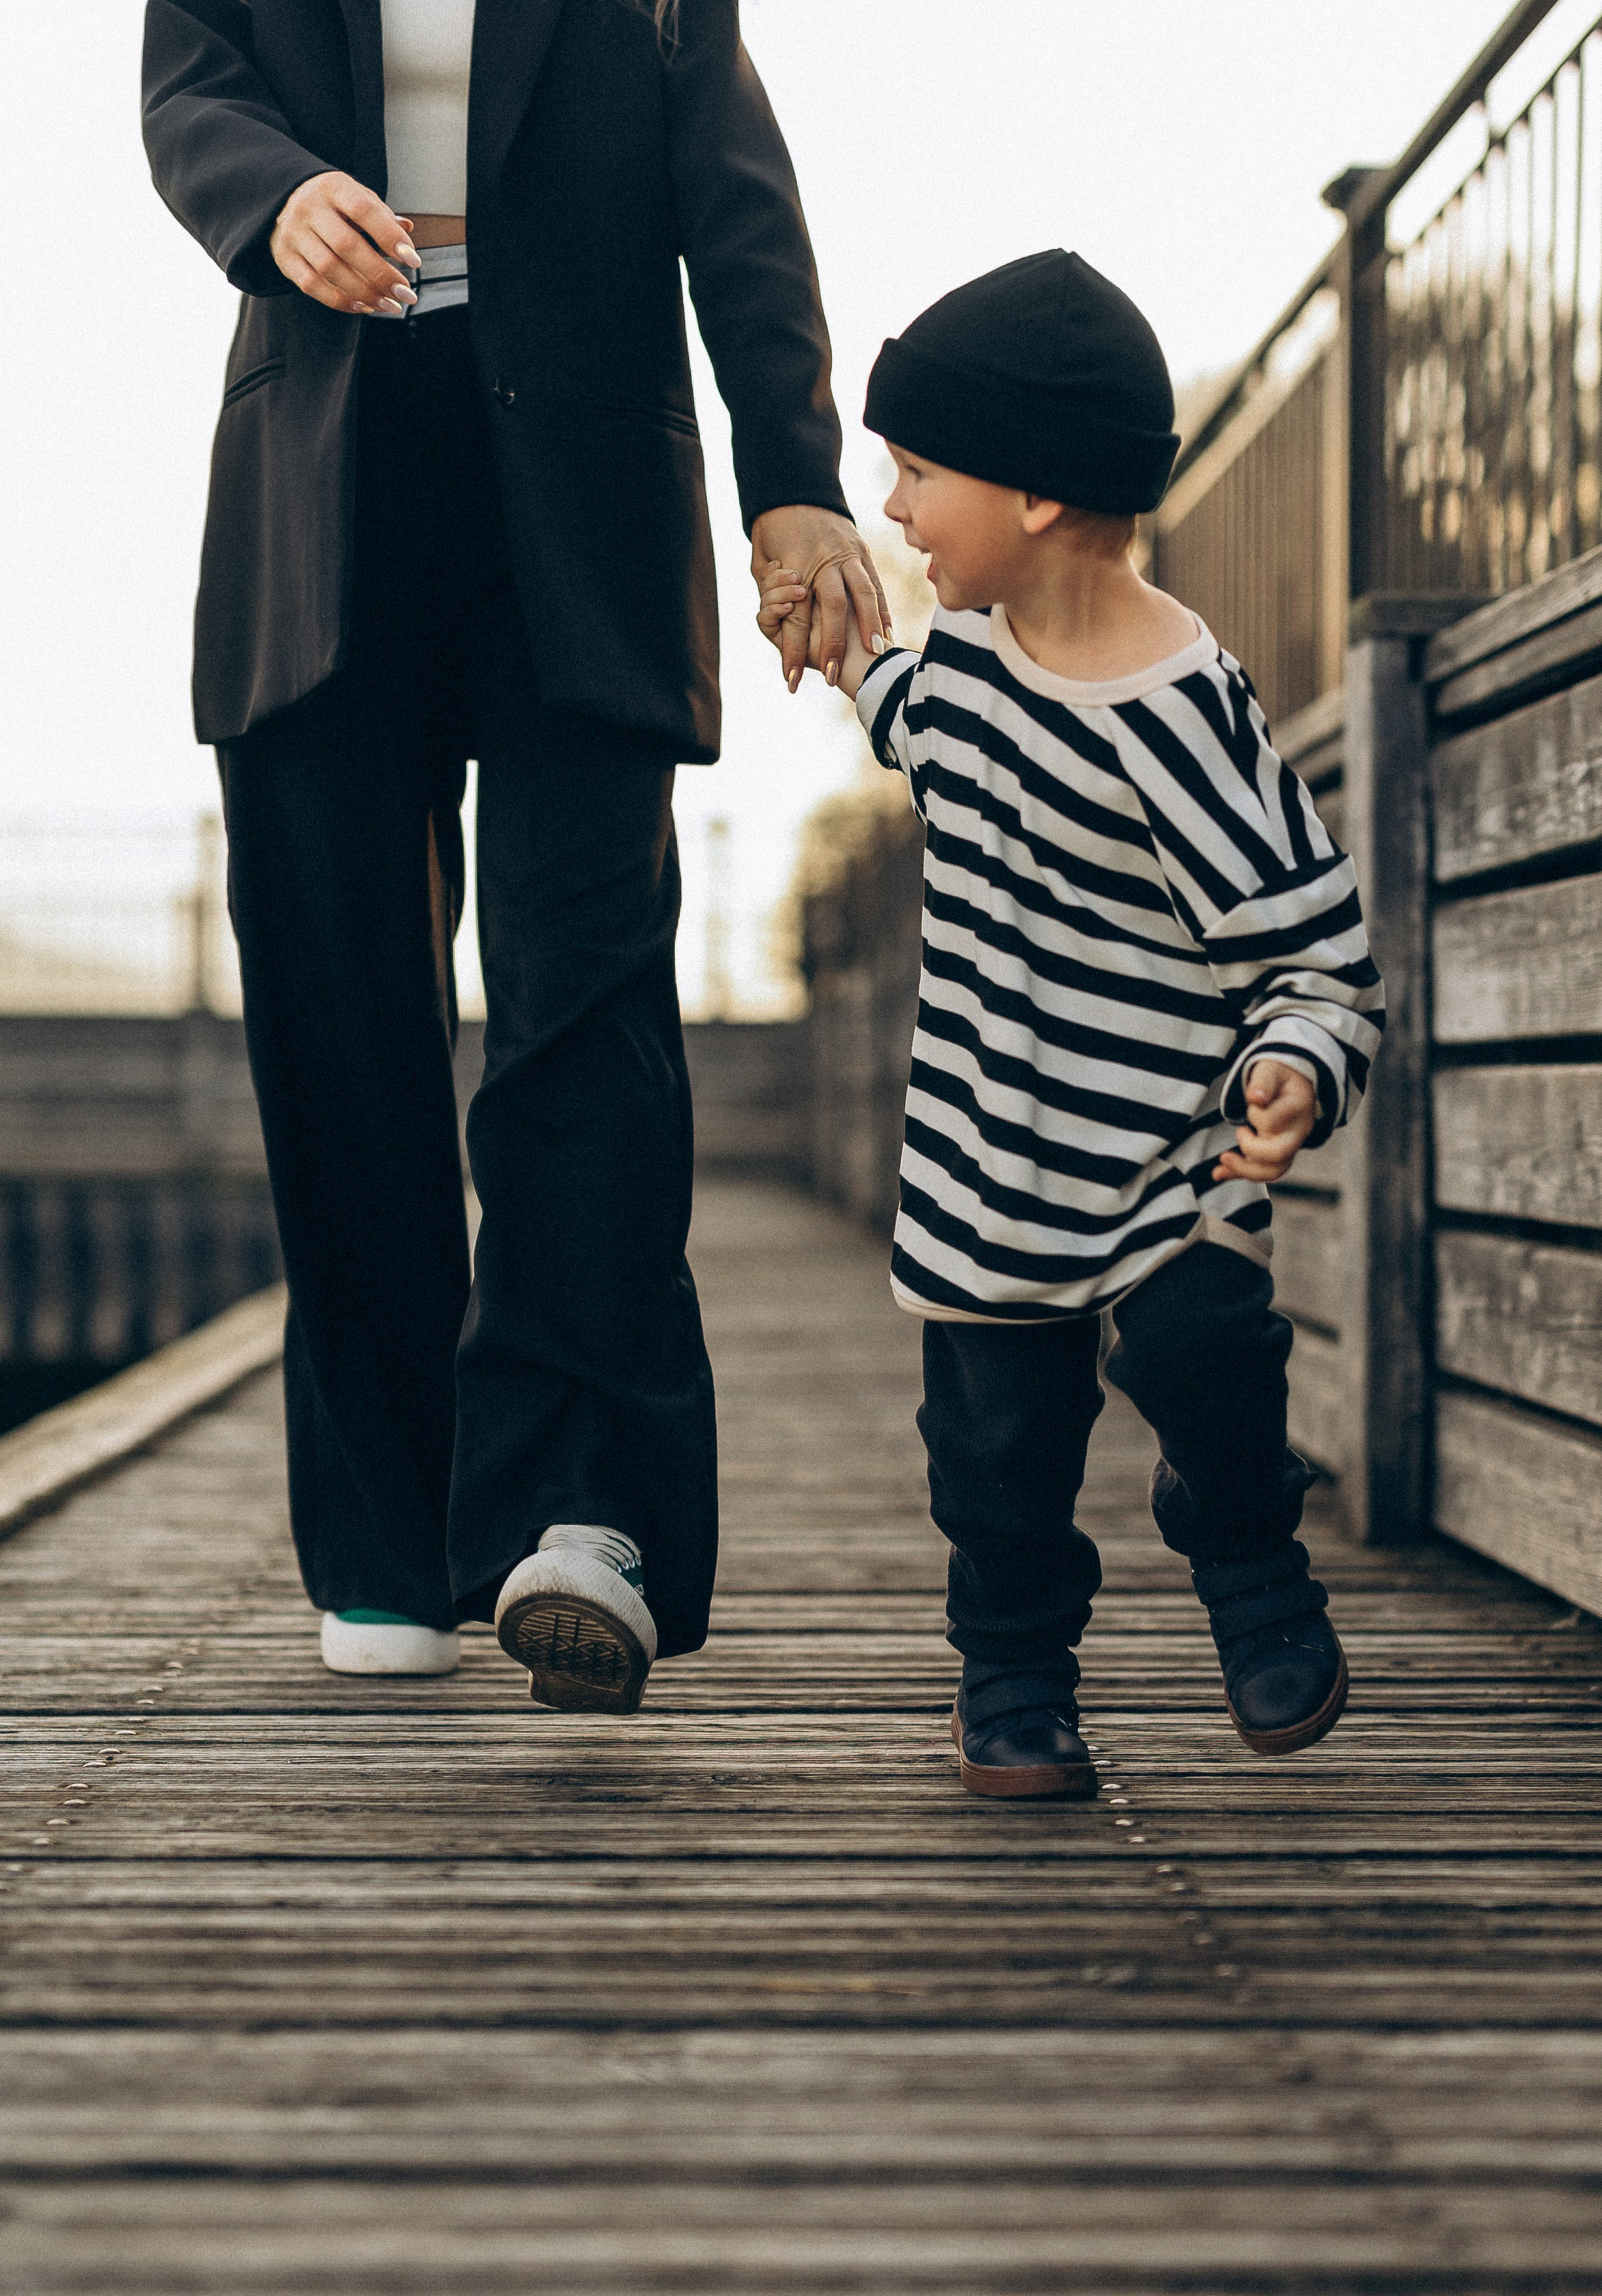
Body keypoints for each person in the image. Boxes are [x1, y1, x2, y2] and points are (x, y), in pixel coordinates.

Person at [141, 0, 887, 1711]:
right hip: (319, 491)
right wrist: (271, 198)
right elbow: (190, 91)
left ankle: (585, 1513)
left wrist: (794, 476)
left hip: (588, 504)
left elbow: (738, 195)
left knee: (585, 1007)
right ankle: (390, 1539)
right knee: (346, 1040)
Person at [761, 251, 1384, 1798]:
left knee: (1205, 1349)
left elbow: (1313, 942)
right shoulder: (962, 672)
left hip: (1172, 1156)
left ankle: (1251, 1576)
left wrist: (1297, 1058)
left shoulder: (1184, 713)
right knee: (995, 1453)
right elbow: (899, 705)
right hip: (989, 1161)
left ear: (1033, 496)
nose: (894, 511)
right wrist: (832, 634)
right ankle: (1015, 1681)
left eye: (914, 475)